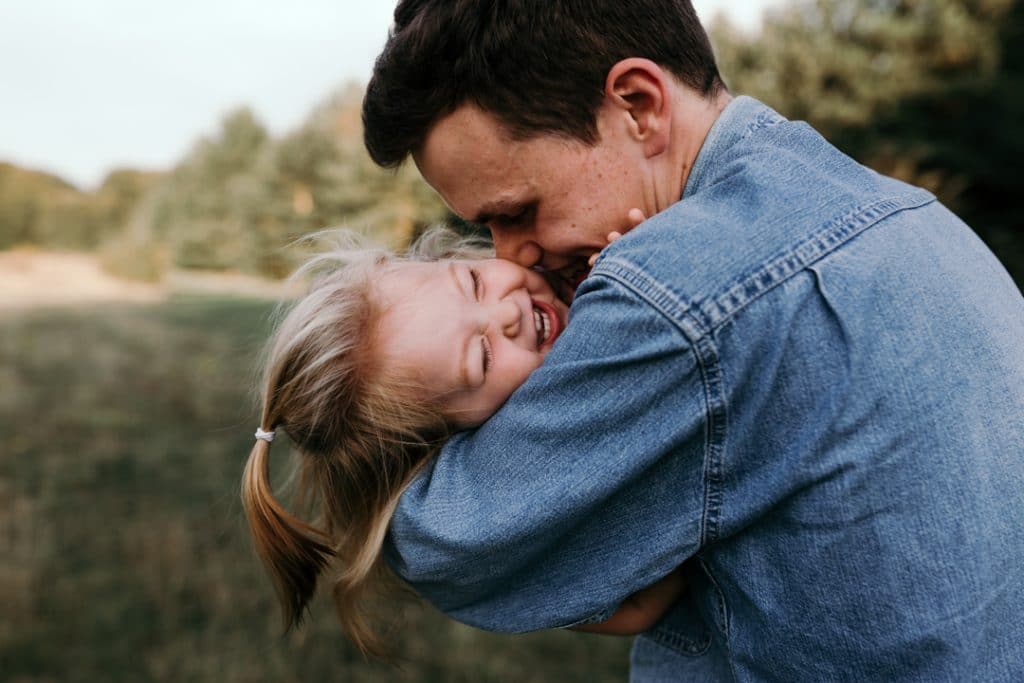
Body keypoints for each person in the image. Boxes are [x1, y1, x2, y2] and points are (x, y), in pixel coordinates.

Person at [360, 0, 1024, 680]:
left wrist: (369, 440)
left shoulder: (671, 292)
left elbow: (450, 542)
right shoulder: (913, 214)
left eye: (516, 212)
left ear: (640, 105)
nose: (513, 258)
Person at [240, 228, 682, 656]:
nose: (507, 314)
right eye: (482, 357)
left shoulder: (569, 251)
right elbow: (637, 610)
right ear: (454, 444)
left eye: (473, 282)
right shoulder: (525, 477)